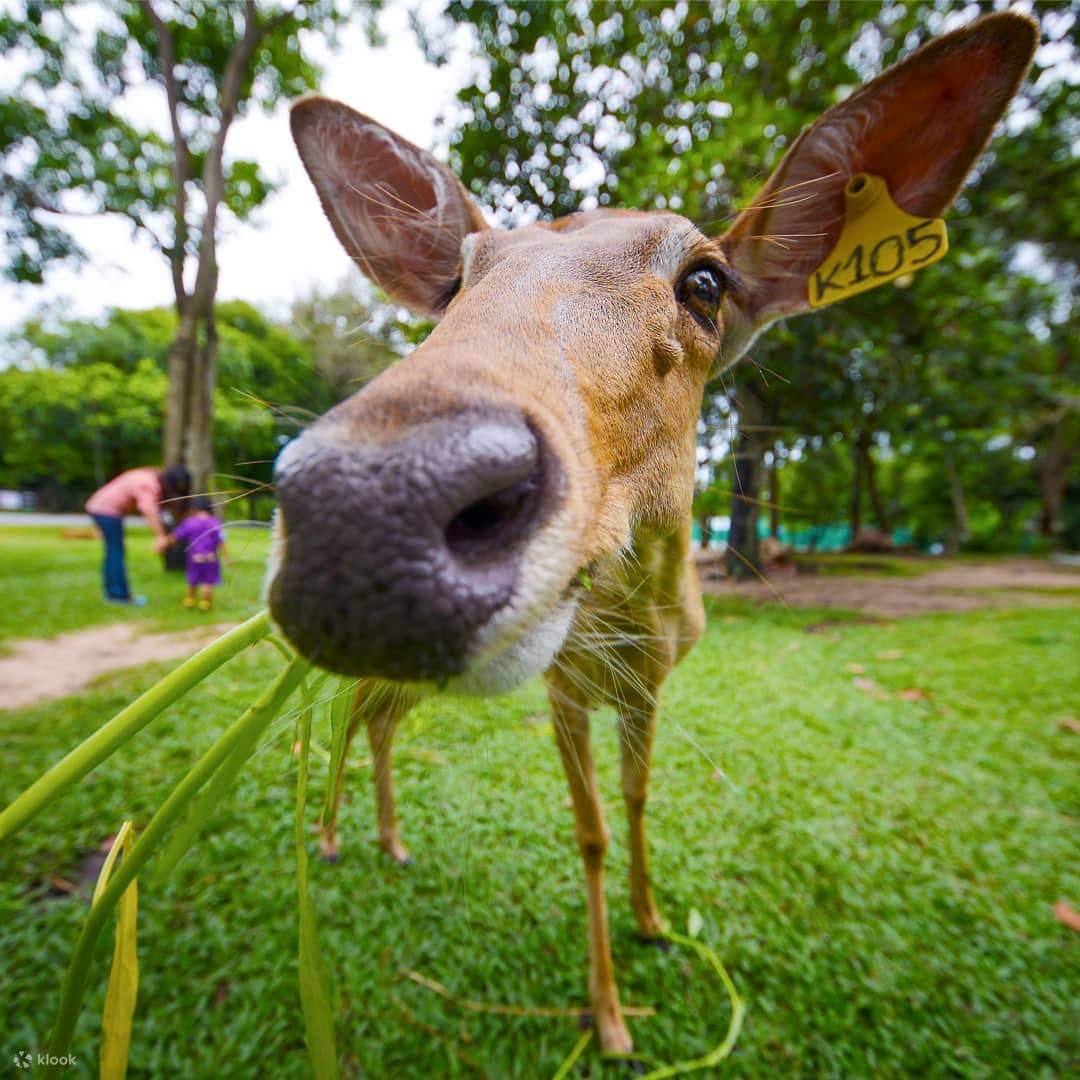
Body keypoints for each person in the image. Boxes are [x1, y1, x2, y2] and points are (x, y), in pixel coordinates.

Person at [86, 465, 191, 604]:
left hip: (102, 508)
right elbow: (148, 509)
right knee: (116, 552)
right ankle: (117, 595)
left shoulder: (151, 477)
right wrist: (160, 536)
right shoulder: (148, 484)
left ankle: (114, 593)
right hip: (106, 511)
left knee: (114, 551)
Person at [167, 497, 228, 611]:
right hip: (210, 559)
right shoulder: (214, 522)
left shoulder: (190, 522)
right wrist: (226, 556)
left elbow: (176, 535)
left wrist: (165, 542)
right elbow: (221, 541)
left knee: (192, 580)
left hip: (194, 558)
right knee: (208, 583)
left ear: (194, 509)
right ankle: (205, 604)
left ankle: (189, 601)